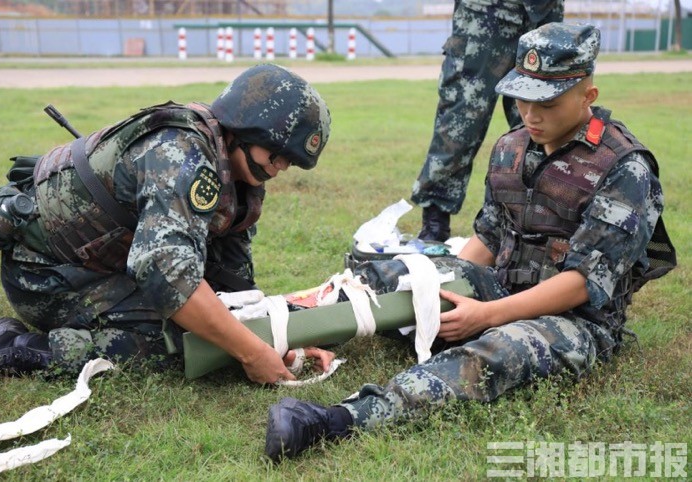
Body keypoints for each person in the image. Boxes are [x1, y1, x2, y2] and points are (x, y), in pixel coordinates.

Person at [264, 23, 677, 462]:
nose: (531, 115)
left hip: (576, 320)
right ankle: (263, 331)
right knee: (397, 274)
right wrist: (437, 286)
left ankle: (334, 420)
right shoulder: (512, 147)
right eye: (522, 98)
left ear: (587, 98)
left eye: (547, 104)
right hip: (501, 286)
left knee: (500, 350)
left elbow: (581, 283)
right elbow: (488, 236)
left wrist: (486, 315)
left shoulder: (624, 170)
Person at [0, 63, 336, 383]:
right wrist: (252, 353)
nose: (283, 166)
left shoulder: (240, 178)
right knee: (173, 339)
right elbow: (168, 276)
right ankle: (14, 346)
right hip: (45, 273)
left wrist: (278, 340)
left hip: (100, 262)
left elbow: (235, 287)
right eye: (279, 153)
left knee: (211, 325)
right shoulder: (181, 156)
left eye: (291, 160)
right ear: (249, 129)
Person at [412, 0, 564, 242]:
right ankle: (435, 222)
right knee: (460, 124)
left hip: (542, 12)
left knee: (543, 125)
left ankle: (538, 224)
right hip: (485, 12)